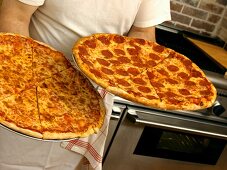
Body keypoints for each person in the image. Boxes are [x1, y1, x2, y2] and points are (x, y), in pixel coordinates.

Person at [0, 0, 171, 169]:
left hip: (90, 103)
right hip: (26, 91)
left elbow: (143, 31)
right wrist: (30, 86)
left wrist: (127, 74)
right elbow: (15, 16)